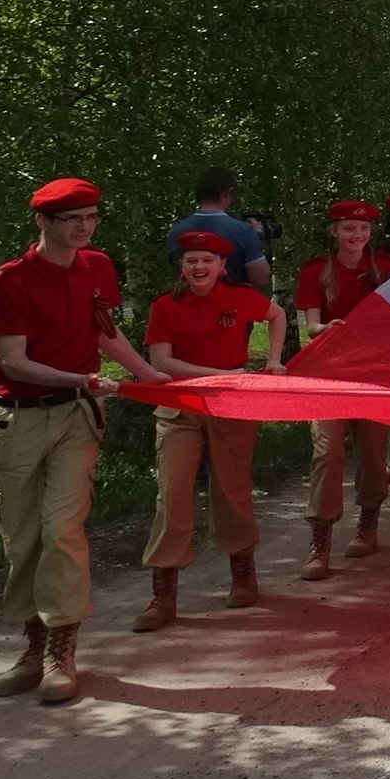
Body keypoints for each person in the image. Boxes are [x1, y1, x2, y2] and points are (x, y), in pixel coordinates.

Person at [0, 178, 165, 704]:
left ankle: (63, 652)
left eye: (92, 217)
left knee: (62, 528)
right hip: (16, 421)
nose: (84, 227)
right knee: (22, 539)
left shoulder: (98, 266)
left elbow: (105, 333)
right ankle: (32, 647)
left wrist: (153, 379)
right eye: (72, 219)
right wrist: (80, 378)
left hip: (76, 418)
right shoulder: (8, 282)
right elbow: (13, 360)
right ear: (43, 222)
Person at [135, 231, 287, 629]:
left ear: (222, 267)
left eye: (207, 260)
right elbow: (162, 362)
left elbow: (277, 314)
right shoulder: (165, 306)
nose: (199, 267)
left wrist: (273, 360)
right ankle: (163, 594)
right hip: (180, 409)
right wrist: (221, 374)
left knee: (232, 490)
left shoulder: (238, 298)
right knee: (173, 496)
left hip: (230, 407)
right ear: (181, 268)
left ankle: (242, 575)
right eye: (191, 261)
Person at [297, 199, 390, 578]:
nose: (357, 236)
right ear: (334, 232)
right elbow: (312, 326)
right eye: (349, 229)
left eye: (363, 230)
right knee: (326, 452)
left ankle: (369, 521)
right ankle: (321, 539)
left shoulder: (383, 270)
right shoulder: (317, 272)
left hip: (373, 374)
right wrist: (330, 328)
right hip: (328, 373)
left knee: (371, 452)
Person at [164, 165, 273, 292]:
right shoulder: (244, 231)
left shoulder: (175, 232)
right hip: (234, 304)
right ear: (228, 193)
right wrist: (259, 238)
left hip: (190, 305)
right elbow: (260, 279)